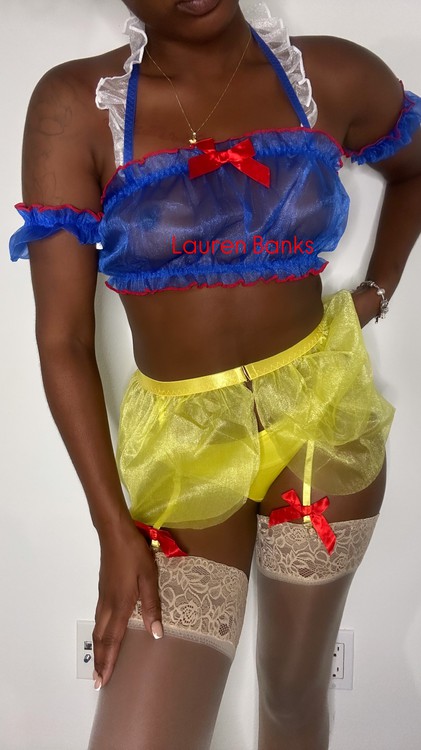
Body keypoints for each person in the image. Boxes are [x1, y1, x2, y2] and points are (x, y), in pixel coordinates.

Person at [9, 1, 421, 748]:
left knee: (291, 693)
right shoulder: (76, 107)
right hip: (184, 447)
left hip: (322, 417)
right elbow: (63, 338)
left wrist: (376, 293)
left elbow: (416, 166)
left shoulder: (329, 75)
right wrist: (113, 531)